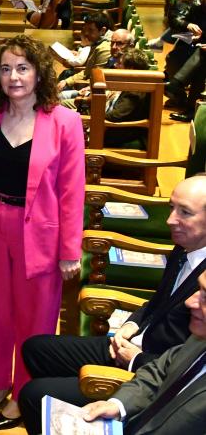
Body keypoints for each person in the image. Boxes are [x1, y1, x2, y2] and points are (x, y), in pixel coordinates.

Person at [0, 34, 85, 430]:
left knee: (36, 316)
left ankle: (22, 392)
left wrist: (69, 249)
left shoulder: (64, 121)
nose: (14, 77)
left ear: (39, 72)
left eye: (23, 68)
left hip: (42, 233)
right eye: (6, 68)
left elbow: (72, 190)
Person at [18, 174, 206, 435]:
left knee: (35, 395)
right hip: (133, 345)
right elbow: (157, 302)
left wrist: (134, 360)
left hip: (141, 364)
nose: (170, 220)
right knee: (35, 348)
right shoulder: (187, 244)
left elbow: (176, 366)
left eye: (185, 212)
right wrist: (131, 324)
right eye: (172, 208)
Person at [79, 268, 206, 435]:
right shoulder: (199, 338)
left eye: (205, 297)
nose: (190, 302)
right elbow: (162, 370)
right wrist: (119, 404)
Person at [57, 12, 112, 98]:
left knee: (59, 94)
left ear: (102, 31)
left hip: (93, 92)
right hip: (88, 83)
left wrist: (68, 81)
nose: (86, 33)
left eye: (90, 30)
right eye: (85, 29)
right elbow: (89, 70)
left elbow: (95, 77)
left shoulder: (105, 48)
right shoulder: (97, 43)